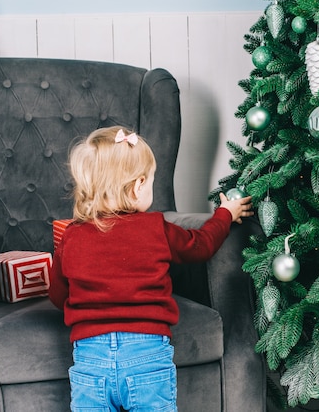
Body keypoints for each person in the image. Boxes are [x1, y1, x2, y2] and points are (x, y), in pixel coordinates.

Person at [48, 126, 253, 412]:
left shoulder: (72, 235)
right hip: (146, 358)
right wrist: (225, 214)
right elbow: (202, 245)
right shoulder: (156, 227)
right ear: (137, 185)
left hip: (91, 360)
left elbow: (58, 295)